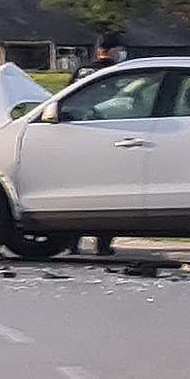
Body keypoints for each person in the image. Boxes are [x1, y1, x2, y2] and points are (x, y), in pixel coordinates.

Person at [67, 32, 125, 257]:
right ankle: (103, 244)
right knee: (106, 192)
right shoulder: (115, 72)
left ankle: (72, 243)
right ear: (113, 51)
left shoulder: (82, 70)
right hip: (105, 134)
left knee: (76, 192)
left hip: (76, 135)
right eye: (120, 49)